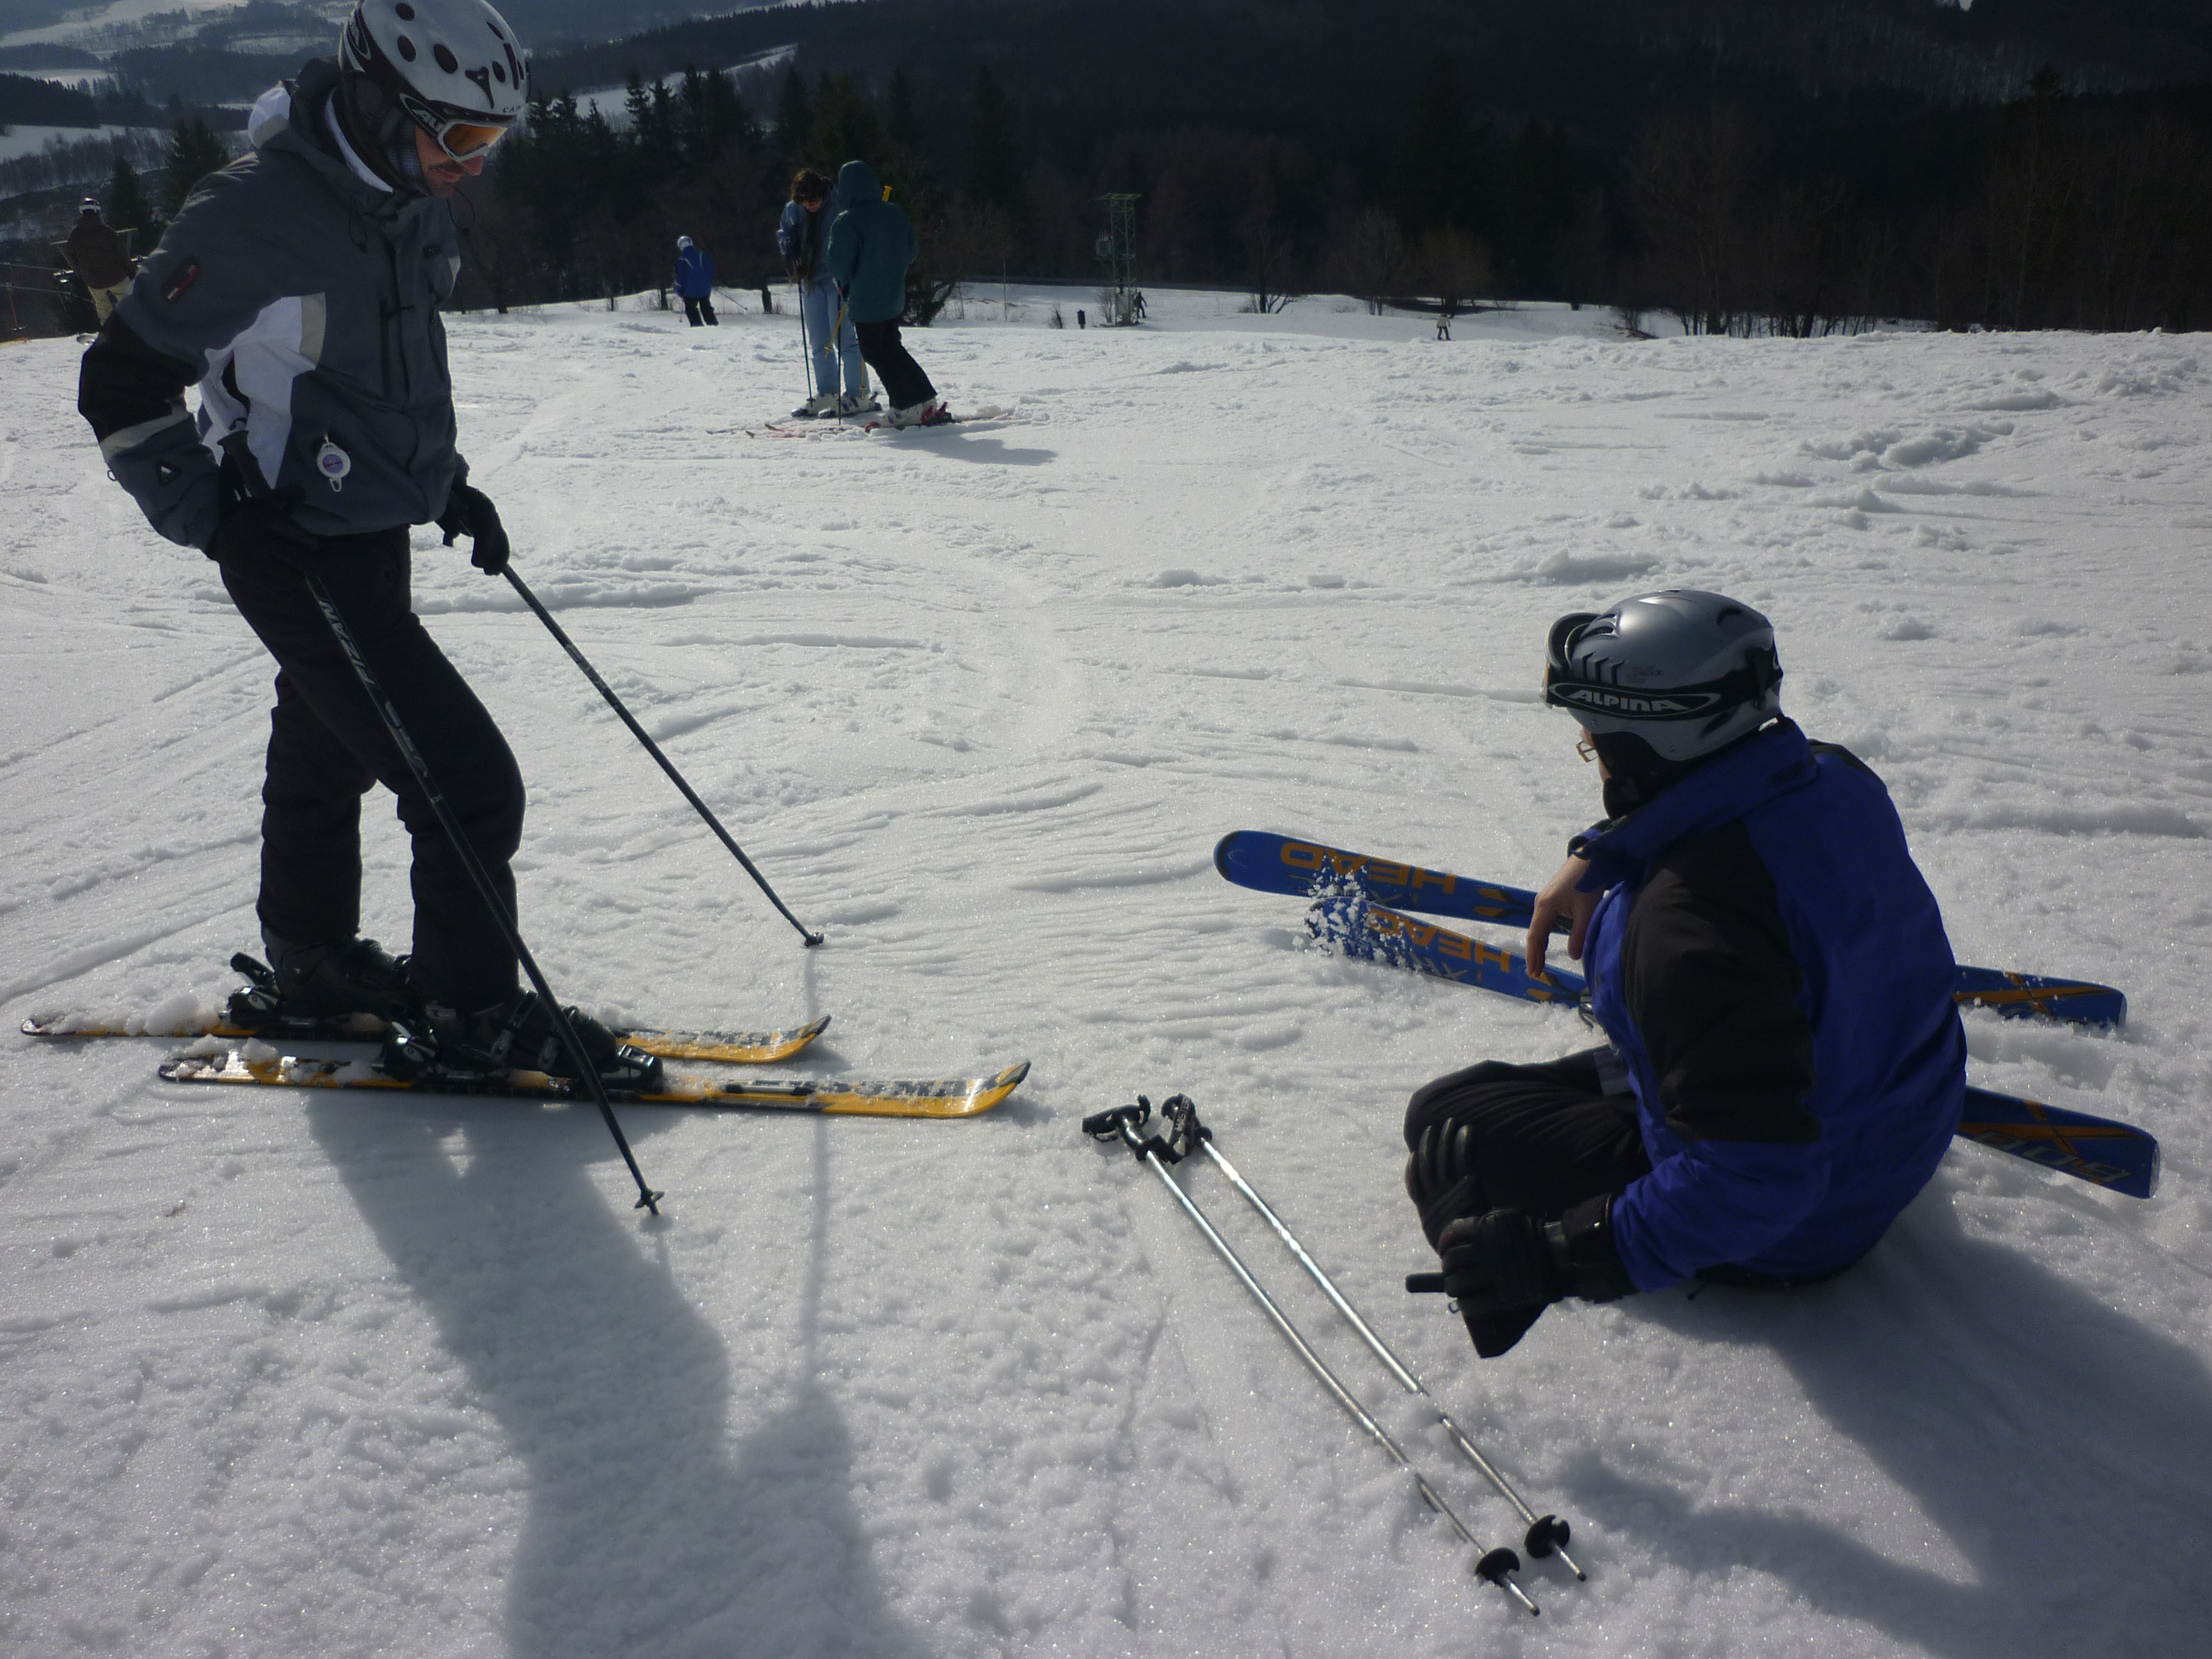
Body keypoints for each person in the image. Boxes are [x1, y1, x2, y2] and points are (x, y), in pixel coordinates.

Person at [75, 0, 656, 1088]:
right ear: (386, 107)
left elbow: (383, 371)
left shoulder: (408, 200)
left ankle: (310, 962)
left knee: (325, 739)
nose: (472, 168)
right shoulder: (255, 214)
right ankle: (469, 1016)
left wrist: (444, 484)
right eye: (461, 138)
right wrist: (217, 521)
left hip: (368, 527)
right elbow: (119, 380)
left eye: (492, 142)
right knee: (468, 786)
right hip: (290, 545)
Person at [1403, 589, 1965, 1356]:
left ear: (1647, 747)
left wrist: (1561, 1257)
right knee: (1466, 1101)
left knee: (1447, 1124)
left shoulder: (1688, 928)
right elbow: (1726, 794)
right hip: (1888, 1134)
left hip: (1792, 1230)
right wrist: (1604, 852)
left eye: (1596, 743)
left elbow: (1759, 1183)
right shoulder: (1834, 777)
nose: (1593, 756)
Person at [822, 159, 947, 429]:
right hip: (894, 294)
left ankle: (905, 405)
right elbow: (911, 250)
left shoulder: (847, 222)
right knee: (892, 347)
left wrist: (848, 278)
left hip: (866, 299)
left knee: (875, 352)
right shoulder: (895, 212)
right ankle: (924, 398)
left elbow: (839, 266)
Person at [776, 167, 870, 417]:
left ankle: (859, 393)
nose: (811, 205)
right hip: (810, 279)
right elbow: (783, 231)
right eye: (804, 201)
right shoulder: (794, 210)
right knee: (819, 341)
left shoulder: (840, 206)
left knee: (845, 339)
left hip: (838, 279)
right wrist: (787, 244)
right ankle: (828, 392)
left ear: (823, 192)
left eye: (814, 199)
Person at [62, 199, 136, 323]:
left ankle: (109, 330)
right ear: (97, 212)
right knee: (130, 303)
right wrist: (132, 272)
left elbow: (71, 256)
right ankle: (136, 325)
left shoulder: (75, 235)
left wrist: (82, 273)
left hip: (93, 280)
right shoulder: (107, 231)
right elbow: (122, 254)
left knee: (103, 308)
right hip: (117, 276)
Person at [672, 235, 717, 326]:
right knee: (706, 306)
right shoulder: (702, 255)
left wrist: (679, 291)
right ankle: (713, 325)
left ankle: (697, 327)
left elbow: (680, 278)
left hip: (690, 291)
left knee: (691, 309)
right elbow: (711, 269)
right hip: (705, 288)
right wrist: (707, 280)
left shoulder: (682, 260)